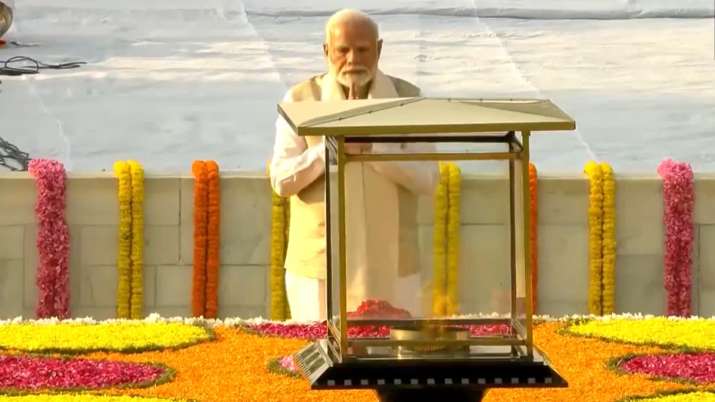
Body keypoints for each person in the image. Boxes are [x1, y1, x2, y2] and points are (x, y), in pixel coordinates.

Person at [270, 9, 437, 321]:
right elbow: (281, 180)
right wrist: (330, 150)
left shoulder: (409, 99)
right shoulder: (300, 99)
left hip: (394, 267)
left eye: (362, 50)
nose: (352, 60)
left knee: (394, 362)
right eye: (342, 50)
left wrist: (376, 149)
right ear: (326, 51)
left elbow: (428, 179)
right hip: (319, 269)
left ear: (379, 49)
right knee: (321, 357)